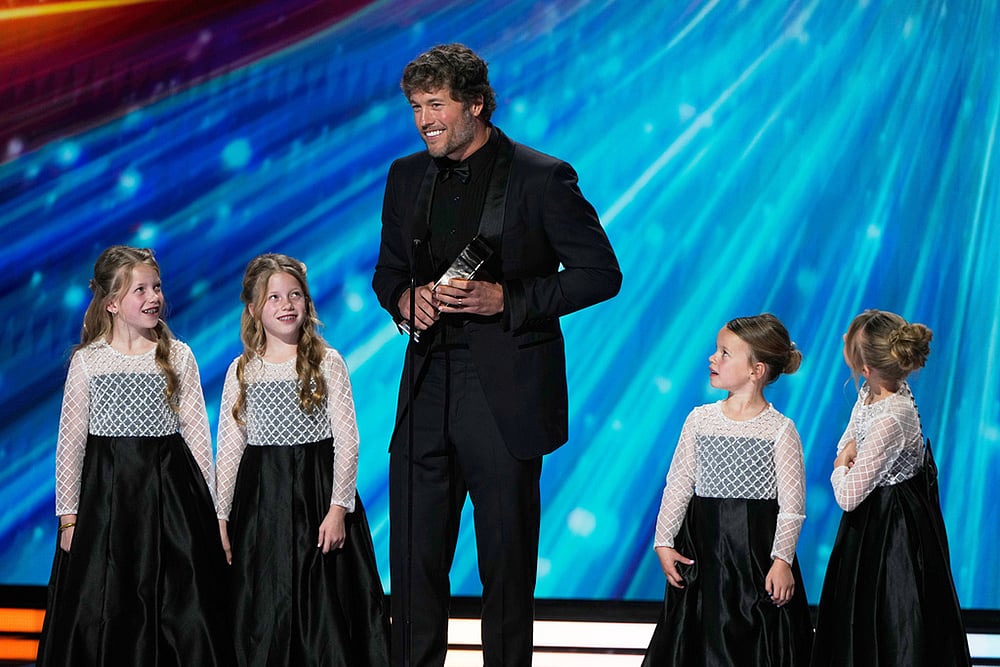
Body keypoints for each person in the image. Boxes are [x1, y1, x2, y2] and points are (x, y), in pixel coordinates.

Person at [372, 43, 622, 666]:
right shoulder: (406, 176)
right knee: (412, 560)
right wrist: (406, 300)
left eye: (436, 105)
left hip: (505, 393)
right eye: (415, 106)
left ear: (476, 104)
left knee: (506, 567)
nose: (424, 118)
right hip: (426, 386)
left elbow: (600, 273)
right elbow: (388, 273)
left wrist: (505, 299)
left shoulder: (542, 176)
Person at [35, 245, 232, 666]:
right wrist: (69, 519)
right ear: (111, 303)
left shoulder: (178, 355)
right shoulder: (89, 362)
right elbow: (70, 444)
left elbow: (198, 437)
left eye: (156, 287)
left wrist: (211, 513)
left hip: (171, 502)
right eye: (139, 289)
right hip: (108, 505)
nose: (153, 297)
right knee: (107, 605)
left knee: (180, 606)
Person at [216, 253, 390, 666]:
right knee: (263, 614)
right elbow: (229, 450)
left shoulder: (326, 363)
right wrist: (221, 518)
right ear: (254, 309)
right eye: (274, 297)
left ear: (307, 302)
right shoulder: (241, 371)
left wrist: (337, 510)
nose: (286, 304)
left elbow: (348, 440)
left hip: (317, 502)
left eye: (295, 294)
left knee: (324, 613)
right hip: (260, 510)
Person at [643, 314, 813, 667]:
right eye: (715, 351)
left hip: (755, 557)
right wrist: (664, 541)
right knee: (701, 636)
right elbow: (679, 483)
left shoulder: (780, 430)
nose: (712, 358)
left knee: (753, 638)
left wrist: (782, 561)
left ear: (756, 370)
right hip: (704, 554)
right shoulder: (700, 419)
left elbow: (792, 506)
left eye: (724, 353)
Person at [810, 309, 970, 667]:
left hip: (891, 532)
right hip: (872, 521)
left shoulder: (892, 417)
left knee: (893, 616)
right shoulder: (871, 392)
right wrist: (847, 454)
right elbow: (847, 439)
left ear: (866, 369)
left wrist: (840, 467)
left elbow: (848, 495)